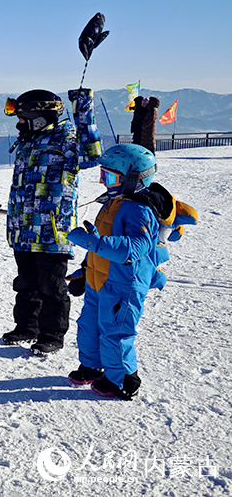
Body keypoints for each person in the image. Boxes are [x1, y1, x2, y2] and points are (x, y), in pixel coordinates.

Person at [66, 143, 197, 399]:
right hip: (98, 279)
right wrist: (85, 268)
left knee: (115, 331)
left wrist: (93, 242)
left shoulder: (138, 209)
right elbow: (101, 237)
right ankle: (92, 366)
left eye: (111, 177)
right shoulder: (114, 201)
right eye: (103, 175)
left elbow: (135, 247)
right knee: (89, 326)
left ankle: (123, 380)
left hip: (123, 284)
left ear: (133, 179)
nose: (105, 182)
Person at [2, 89, 102, 355]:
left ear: (39, 117)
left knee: (52, 286)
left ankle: (52, 335)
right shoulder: (29, 139)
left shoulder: (66, 139)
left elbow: (92, 155)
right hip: (23, 227)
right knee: (26, 283)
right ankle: (27, 327)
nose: (18, 123)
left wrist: (82, 107)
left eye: (23, 118)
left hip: (52, 230)